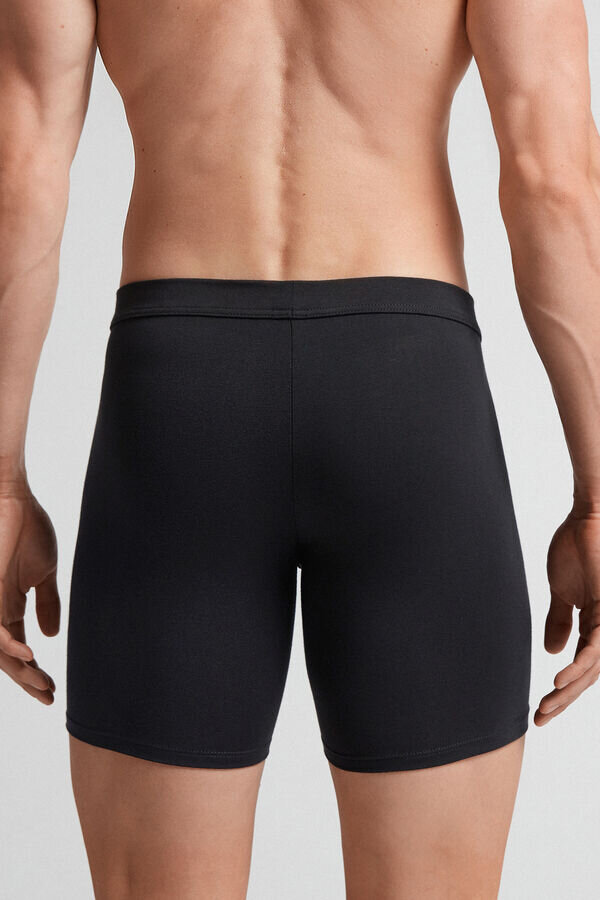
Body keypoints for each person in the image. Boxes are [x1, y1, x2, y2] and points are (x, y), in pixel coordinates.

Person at [1, 0, 600, 897]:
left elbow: (19, 173)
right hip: (409, 396)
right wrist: (597, 495)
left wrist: (2, 484)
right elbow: (555, 181)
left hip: (179, 402)